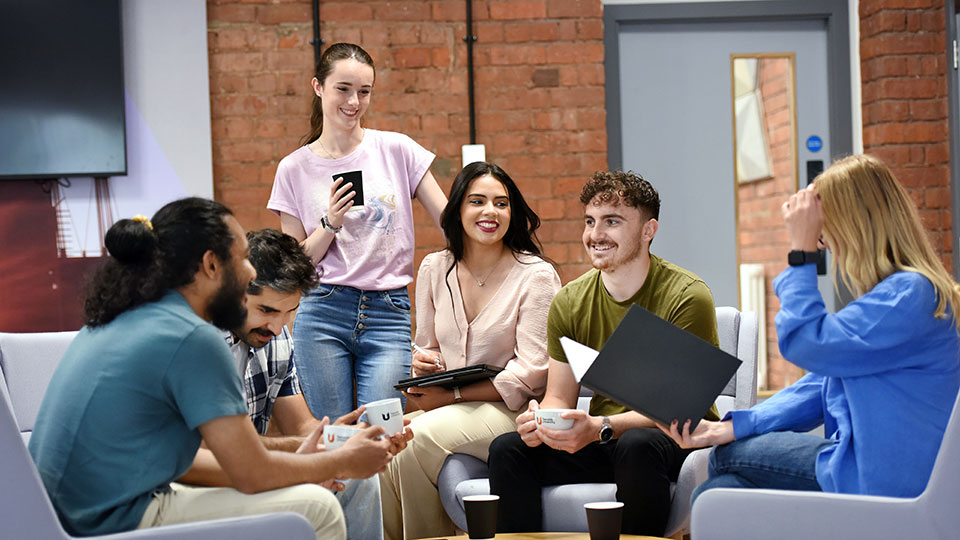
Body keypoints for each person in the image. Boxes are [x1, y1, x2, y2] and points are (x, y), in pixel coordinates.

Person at [28, 198, 395, 540]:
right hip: (110, 520)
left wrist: (325, 452)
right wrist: (343, 458)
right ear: (211, 264)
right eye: (244, 257)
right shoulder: (192, 337)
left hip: (65, 515)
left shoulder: (130, 315)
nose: (250, 270)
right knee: (318, 508)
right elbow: (251, 472)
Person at [662, 154, 960, 504]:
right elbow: (821, 381)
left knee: (724, 458)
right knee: (719, 493)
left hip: (884, 482)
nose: (824, 244)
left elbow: (804, 343)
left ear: (854, 226)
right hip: (864, 468)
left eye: (824, 230)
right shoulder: (902, 296)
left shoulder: (910, 295)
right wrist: (734, 426)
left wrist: (800, 253)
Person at [487, 171, 721, 536]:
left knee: (638, 446)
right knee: (508, 449)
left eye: (612, 222)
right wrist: (540, 421)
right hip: (603, 439)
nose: (595, 235)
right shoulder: (569, 300)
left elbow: (678, 408)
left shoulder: (688, 296)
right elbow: (558, 396)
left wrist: (601, 428)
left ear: (648, 231)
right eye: (590, 221)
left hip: (674, 439)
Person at [178, 228, 404, 540]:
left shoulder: (278, 337)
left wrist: (349, 440)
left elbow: (300, 427)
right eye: (266, 310)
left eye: (290, 312)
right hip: (209, 478)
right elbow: (208, 449)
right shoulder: (201, 341)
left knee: (359, 478)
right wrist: (322, 452)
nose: (277, 326)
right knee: (327, 490)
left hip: (259, 468)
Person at [379, 162, 561, 540]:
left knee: (415, 441)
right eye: (477, 201)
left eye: (501, 203)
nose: (490, 212)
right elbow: (425, 347)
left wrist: (453, 394)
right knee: (385, 439)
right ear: (458, 210)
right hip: (451, 408)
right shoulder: (434, 268)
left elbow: (531, 374)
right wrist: (423, 365)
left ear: (513, 213)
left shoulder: (536, 276)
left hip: (513, 413)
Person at [267, 42, 448, 422]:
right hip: (323, 309)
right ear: (318, 87)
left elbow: (450, 222)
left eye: (364, 92)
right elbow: (294, 265)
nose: (354, 102)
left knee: (380, 435)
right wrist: (330, 222)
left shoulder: (397, 149)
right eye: (343, 89)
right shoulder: (293, 168)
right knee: (332, 438)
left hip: (389, 309)